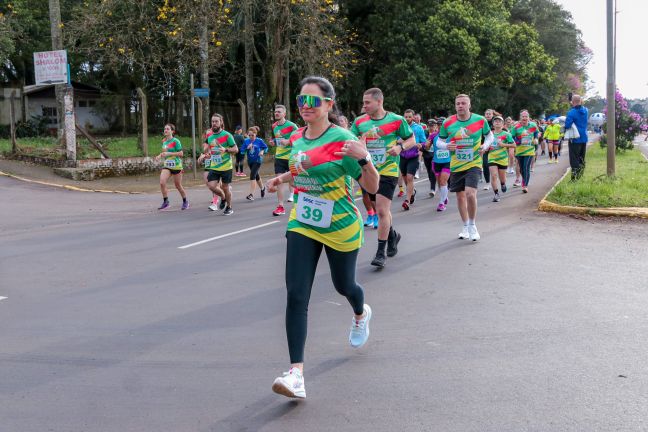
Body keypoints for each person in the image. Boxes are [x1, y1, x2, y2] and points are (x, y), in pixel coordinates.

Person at [266, 76, 379, 400]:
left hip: (340, 224)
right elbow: (305, 166)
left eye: (312, 101)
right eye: (300, 100)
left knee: (345, 286)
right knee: (296, 294)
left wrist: (364, 158)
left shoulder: (343, 139)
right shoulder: (297, 138)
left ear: (329, 104)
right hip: (303, 220)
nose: (305, 106)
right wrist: (282, 177)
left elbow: (371, 186)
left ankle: (361, 313)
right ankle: (296, 373)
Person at [351, 87, 416, 267]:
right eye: (363, 103)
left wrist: (400, 148)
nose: (364, 106)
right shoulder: (359, 122)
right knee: (380, 210)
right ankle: (393, 235)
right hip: (368, 171)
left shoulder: (396, 120)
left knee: (380, 209)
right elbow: (349, 140)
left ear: (379, 102)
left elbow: (411, 140)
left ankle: (381, 252)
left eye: (367, 103)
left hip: (387, 170)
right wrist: (359, 144)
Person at [437, 94, 492, 241]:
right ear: (455, 106)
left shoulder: (480, 120)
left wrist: (485, 146)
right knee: (460, 197)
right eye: (458, 104)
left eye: (463, 103)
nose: (460, 106)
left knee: (470, 193)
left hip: (474, 162)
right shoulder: (448, 123)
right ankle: (465, 225)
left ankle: (473, 225)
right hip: (456, 164)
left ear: (469, 105)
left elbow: (490, 136)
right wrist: (446, 145)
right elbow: (439, 142)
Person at [197, 113, 238, 215]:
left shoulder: (227, 135)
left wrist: (226, 149)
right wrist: (203, 156)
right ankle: (223, 197)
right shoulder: (210, 137)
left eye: (216, 121)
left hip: (226, 167)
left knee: (225, 187)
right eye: (212, 121)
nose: (214, 123)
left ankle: (229, 207)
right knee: (211, 186)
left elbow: (236, 149)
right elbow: (212, 152)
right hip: (214, 166)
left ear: (221, 122)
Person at [270, 105, 299, 216]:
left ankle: (300, 201)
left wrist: (289, 141)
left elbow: (299, 137)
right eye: (275, 112)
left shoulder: (292, 126)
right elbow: (277, 139)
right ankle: (280, 206)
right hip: (279, 157)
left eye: (279, 112)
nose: (276, 113)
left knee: (294, 181)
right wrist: (273, 141)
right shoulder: (274, 126)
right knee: (279, 181)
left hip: (292, 157)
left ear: (284, 114)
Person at [156, 123, 189, 210]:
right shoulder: (164, 141)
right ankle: (166, 202)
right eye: (164, 129)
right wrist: (160, 155)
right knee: (162, 182)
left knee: (178, 185)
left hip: (176, 166)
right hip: (167, 165)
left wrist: (169, 153)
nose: (165, 130)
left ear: (172, 131)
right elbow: (164, 153)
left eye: (167, 129)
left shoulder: (176, 141)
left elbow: (181, 154)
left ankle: (185, 201)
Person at [400, 109, 425, 210]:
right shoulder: (400, 127)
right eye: (406, 117)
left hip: (413, 156)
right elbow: (397, 140)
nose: (407, 119)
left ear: (413, 117)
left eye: (409, 117)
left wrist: (420, 145)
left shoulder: (418, 128)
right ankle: (412, 192)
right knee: (405, 179)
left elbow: (423, 142)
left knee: (410, 178)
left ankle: (407, 200)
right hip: (402, 156)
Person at [488, 116, 515, 202]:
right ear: (493, 124)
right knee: (494, 175)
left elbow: (514, 145)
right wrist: (486, 147)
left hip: (503, 158)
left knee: (502, 178)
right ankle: (496, 194)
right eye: (495, 121)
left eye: (499, 121)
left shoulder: (507, 134)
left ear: (503, 124)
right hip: (492, 158)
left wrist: (504, 145)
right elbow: (485, 144)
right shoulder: (489, 134)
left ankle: (503, 184)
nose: (497, 122)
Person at [511, 110, 539, 193]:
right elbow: (512, 138)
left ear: (528, 117)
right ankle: (525, 180)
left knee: (526, 167)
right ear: (520, 117)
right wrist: (519, 140)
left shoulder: (533, 125)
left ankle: (525, 185)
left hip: (530, 150)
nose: (524, 118)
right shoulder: (516, 127)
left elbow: (536, 133)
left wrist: (536, 139)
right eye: (523, 116)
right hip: (519, 151)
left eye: (526, 116)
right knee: (521, 169)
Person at [565, 94, 589, 180]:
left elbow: (567, 125)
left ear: (572, 102)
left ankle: (574, 178)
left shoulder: (571, 112)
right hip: (584, 138)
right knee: (582, 158)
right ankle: (580, 176)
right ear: (581, 101)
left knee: (574, 158)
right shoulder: (586, 110)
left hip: (575, 139)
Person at [243, 126, 268, 201]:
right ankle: (263, 188)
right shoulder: (246, 141)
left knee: (252, 175)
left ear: (255, 134)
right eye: (249, 135)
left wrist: (262, 151)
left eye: (252, 135)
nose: (251, 137)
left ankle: (251, 194)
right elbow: (241, 151)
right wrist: (247, 148)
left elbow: (265, 148)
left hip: (258, 160)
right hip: (250, 161)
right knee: (256, 176)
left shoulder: (259, 141)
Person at [430, 126, 451, 211]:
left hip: (448, 162)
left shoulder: (451, 135)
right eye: (438, 125)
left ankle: (441, 203)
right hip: (436, 162)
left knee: (443, 182)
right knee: (439, 183)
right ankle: (444, 196)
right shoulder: (433, 135)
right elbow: (427, 147)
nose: (440, 126)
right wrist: (425, 145)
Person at [421, 119, 439, 197]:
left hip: (435, 155)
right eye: (430, 126)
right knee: (429, 172)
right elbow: (421, 143)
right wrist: (422, 146)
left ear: (436, 126)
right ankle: (433, 184)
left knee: (432, 171)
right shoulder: (425, 133)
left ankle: (432, 189)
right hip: (427, 155)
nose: (431, 127)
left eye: (433, 126)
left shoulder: (438, 134)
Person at [482, 109, 495, 190]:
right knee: (485, 164)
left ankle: (500, 180)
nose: (488, 115)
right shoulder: (482, 122)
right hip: (485, 146)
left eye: (490, 114)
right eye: (486, 114)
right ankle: (487, 183)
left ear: (492, 115)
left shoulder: (496, 122)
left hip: (495, 147)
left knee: (494, 165)